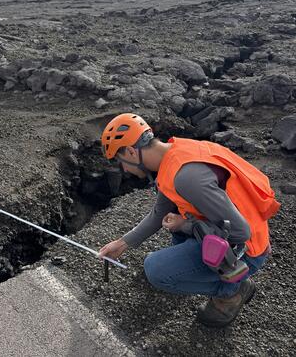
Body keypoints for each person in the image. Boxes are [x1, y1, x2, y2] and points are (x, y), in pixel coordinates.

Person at [99, 113, 280, 328]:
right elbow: (160, 212)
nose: (124, 170)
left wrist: (184, 225)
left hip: (245, 250)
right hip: (232, 233)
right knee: (174, 218)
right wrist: (123, 243)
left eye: (121, 163)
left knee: (155, 270)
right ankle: (192, 270)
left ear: (130, 151)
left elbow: (241, 231)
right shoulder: (176, 153)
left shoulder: (186, 177)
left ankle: (233, 291)